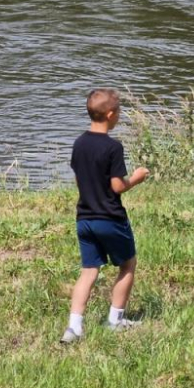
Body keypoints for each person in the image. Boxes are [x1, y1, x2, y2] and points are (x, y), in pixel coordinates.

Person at [60, 88, 150, 343]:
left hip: (84, 219)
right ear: (111, 115)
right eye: (119, 111)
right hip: (110, 218)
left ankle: (74, 327)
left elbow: (79, 177)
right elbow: (117, 186)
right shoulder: (112, 147)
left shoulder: (79, 143)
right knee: (127, 264)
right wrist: (137, 177)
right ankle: (115, 320)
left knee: (89, 271)